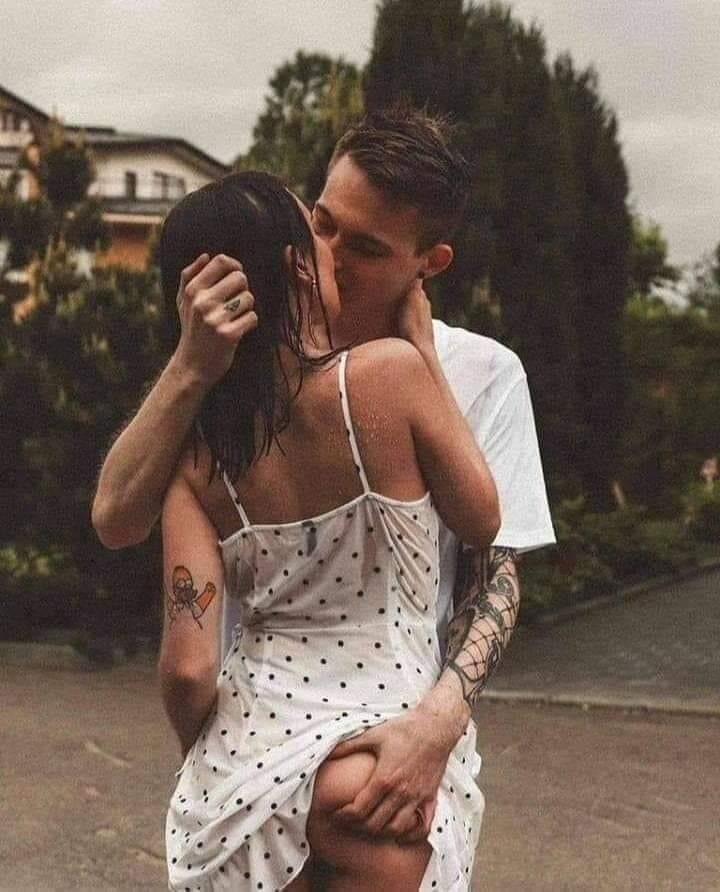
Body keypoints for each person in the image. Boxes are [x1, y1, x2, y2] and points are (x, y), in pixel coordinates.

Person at [93, 108, 554, 852]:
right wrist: (189, 365)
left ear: (429, 263)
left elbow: (494, 570)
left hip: (392, 746)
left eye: (365, 247)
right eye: (322, 224)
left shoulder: (483, 373)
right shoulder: (228, 360)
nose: (325, 258)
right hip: (260, 742)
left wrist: (436, 730)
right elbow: (116, 518)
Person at [157, 169, 500, 890]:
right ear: (298, 269)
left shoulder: (196, 458)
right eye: (316, 232)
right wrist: (424, 352)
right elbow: (481, 519)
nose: (334, 252)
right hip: (381, 772)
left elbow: (187, 670)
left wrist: (220, 764)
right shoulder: (390, 376)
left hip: (242, 783)